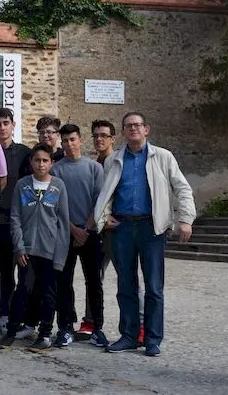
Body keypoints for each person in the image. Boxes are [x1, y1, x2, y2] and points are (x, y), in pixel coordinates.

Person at [95, 112, 196, 357]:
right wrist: (104, 217)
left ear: (146, 129)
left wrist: (186, 219)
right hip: (122, 228)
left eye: (137, 125)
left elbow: (182, 188)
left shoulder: (163, 156)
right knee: (125, 285)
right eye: (128, 126)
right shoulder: (114, 160)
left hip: (152, 228)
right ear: (123, 131)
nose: (133, 129)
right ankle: (129, 336)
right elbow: (105, 192)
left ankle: (152, 339)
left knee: (154, 286)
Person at [0, 143, 70, 353]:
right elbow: (16, 218)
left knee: (48, 293)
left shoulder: (58, 187)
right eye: (37, 160)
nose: (41, 164)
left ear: (52, 163)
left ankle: (45, 334)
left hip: (50, 251)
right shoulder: (23, 185)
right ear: (31, 162)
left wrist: (59, 256)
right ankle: (11, 331)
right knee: (23, 290)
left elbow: (63, 223)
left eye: (45, 160)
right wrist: (19, 248)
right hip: (27, 251)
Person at [51, 124, 106, 348]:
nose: (69, 144)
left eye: (72, 139)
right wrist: (73, 229)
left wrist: (86, 229)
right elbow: (55, 206)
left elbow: (99, 201)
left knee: (94, 281)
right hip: (65, 234)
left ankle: (97, 328)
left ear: (80, 140)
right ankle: (65, 327)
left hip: (90, 233)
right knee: (64, 282)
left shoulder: (94, 168)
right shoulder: (56, 170)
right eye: (65, 140)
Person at [91, 118, 145, 344]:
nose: (99, 139)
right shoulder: (95, 163)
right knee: (94, 278)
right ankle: (92, 322)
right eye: (95, 136)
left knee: (127, 278)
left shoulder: (118, 161)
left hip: (117, 229)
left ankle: (139, 325)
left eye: (103, 135)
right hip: (97, 229)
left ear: (113, 138)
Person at [0, 107, 30, 335]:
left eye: (6, 123)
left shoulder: (24, 153)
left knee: (11, 272)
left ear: (13, 125)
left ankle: (10, 315)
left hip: (12, 220)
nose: (2, 128)